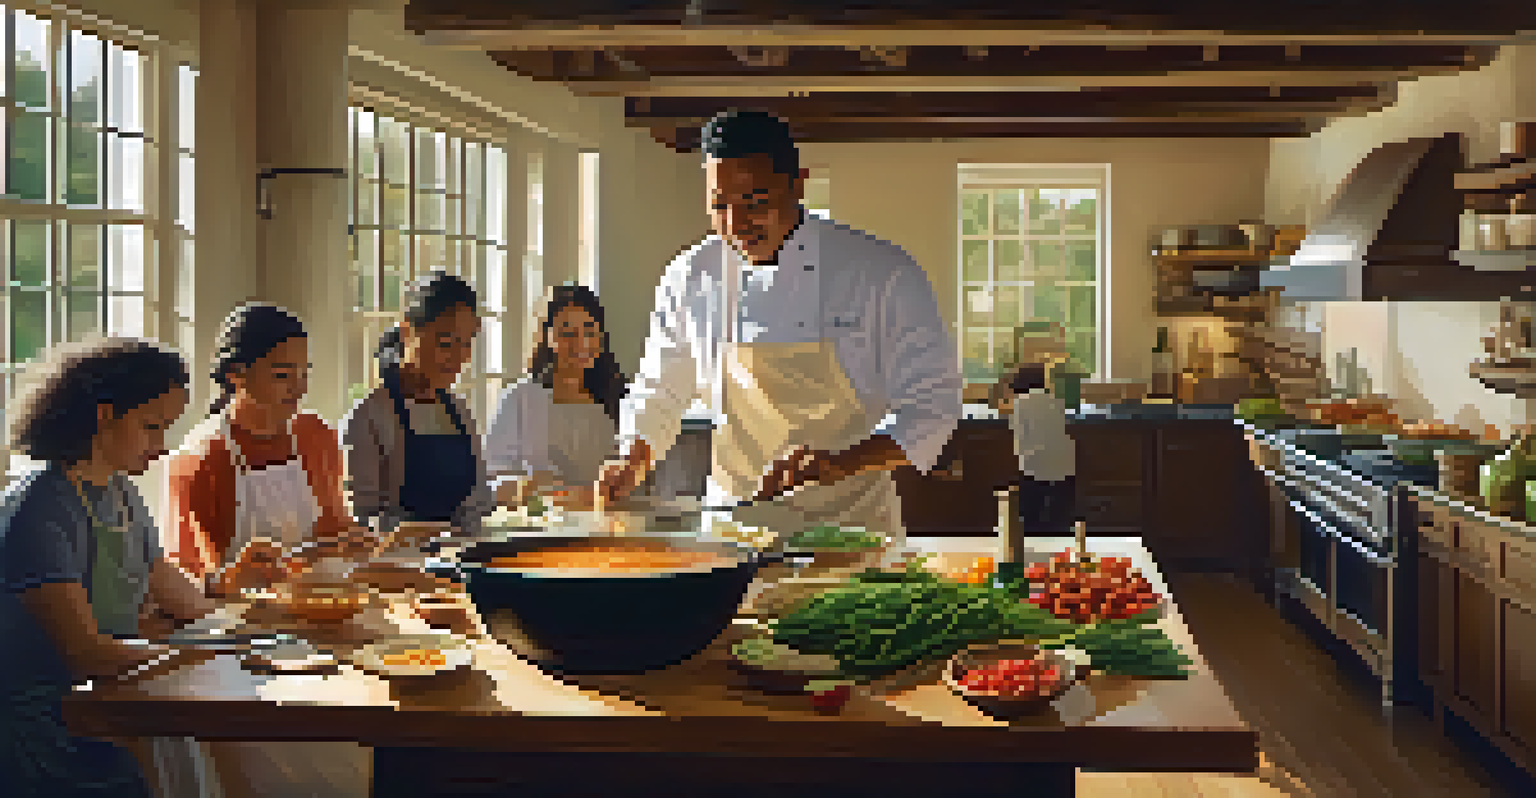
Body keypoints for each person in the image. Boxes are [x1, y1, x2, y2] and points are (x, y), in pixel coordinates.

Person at [598, 109, 962, 543]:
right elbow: (660, 388)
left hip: (851, 531)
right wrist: (632, 458)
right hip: (735, 528)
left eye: (755, 203)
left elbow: (932, 406)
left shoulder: (880, 273)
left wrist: (839, 464)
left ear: (797, 184)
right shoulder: (690, 276)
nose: (735, 225)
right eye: (719, 207)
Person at [0, 337, 216, 797]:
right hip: (44, 735)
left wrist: (256, 622)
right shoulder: (41, 507)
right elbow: (87, 653)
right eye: (151, 427)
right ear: (104, 415)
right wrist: (193, 654)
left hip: (109, 708)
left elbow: (178, 595)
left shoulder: (123, 494)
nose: (161, 448)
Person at [167, 303, 372, 596]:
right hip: (240, 621)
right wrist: (311, 557)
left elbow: (335, 528)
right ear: (236, 374)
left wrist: (354, 541)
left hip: (320, 601)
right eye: (282, 375)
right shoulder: (203, 456)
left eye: (304, 374)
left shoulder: (317, 436)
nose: (299, 389)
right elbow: (207, 575)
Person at [343, 271, 495, 543]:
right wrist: (418, 535)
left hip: (460, 560)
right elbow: (362, 519)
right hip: (400, 571)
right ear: (407, 332)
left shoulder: (460, 413)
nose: (458, 357)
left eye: (466, 343)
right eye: (446, 343)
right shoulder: (369, 417)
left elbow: (477, 501)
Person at [484, 284, 627, 509]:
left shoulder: (621, 400)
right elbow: (490, 482)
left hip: (608, 529)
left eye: (590, 331)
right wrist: (529, 486)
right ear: (547, 337)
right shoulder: (520, 398)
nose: (581, 343)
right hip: (539, 531)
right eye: (568, 333)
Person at [1005, 362, 1077, 534]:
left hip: (1034, 467)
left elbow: (1018, 435)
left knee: (1031, 521)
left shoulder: (1020, 403)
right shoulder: (1056, 400)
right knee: (1059, 522)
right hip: (1065, 467)